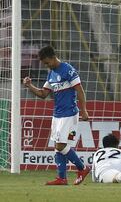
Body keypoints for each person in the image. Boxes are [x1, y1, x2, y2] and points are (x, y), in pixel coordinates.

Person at [23, 46, 90, 185]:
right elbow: (43, 94)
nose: (47, 66)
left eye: (47, 62)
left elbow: (80, 90)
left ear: (53, 57)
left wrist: (84, 110)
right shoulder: (51, 74)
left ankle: (82, 168)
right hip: (58, 115)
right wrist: (30, 86)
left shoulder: (68, 70)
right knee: (59, 146)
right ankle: (62, 178)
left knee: (60, 146)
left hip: (69, 114)